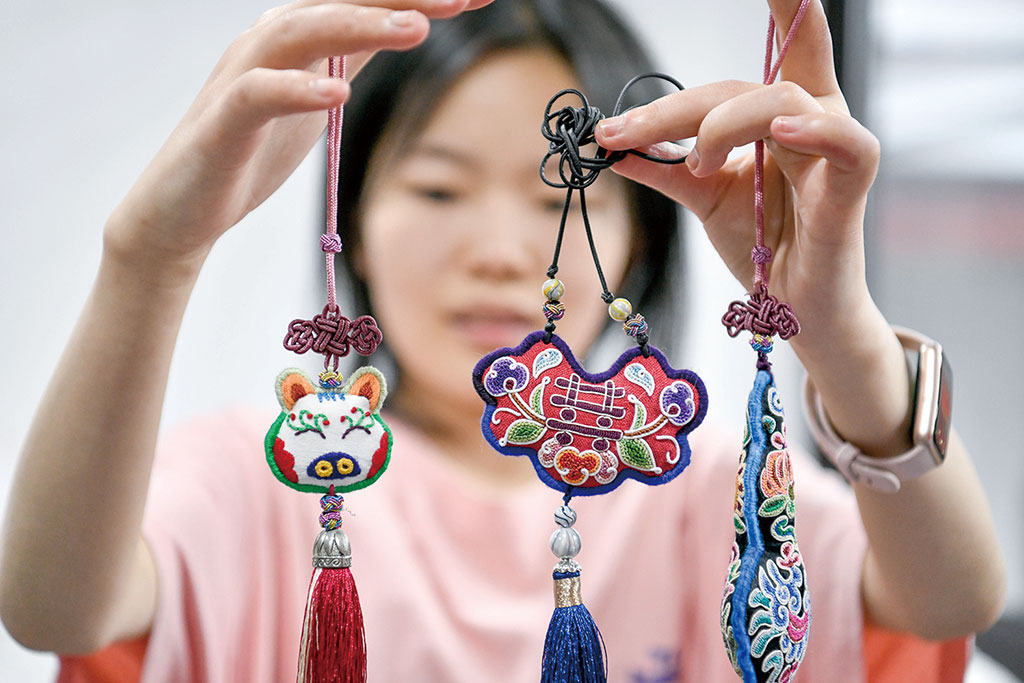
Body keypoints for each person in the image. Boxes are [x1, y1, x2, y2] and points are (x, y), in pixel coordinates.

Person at [0, 0, 1006, 681]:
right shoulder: (259, 477)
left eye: (553, 198)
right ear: (353, 219)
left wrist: (835, 326)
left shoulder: (713, 488)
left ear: (640, 236)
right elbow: (56, 610)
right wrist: (151, 257)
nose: (495, 250)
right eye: (439, 188)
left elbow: (950, 597)